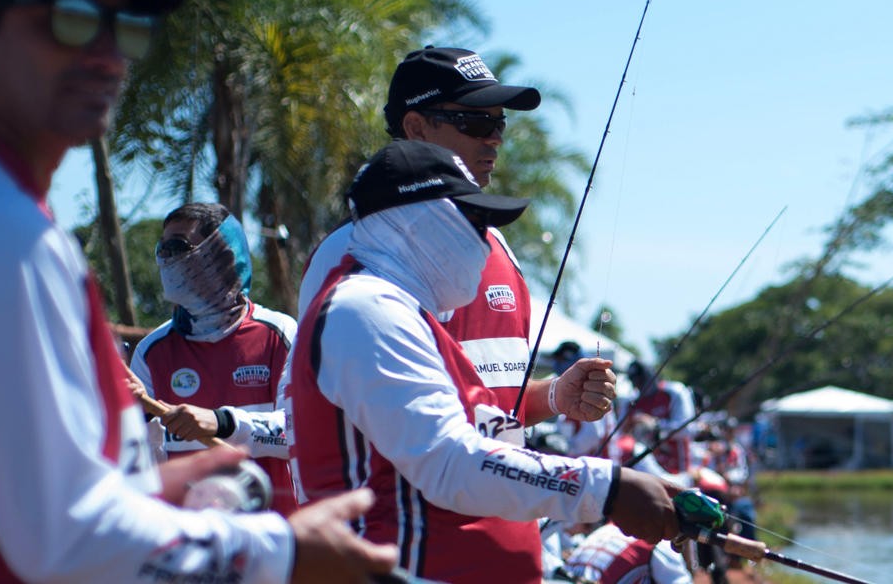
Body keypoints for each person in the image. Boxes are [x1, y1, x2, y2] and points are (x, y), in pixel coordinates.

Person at [0, 0, 394, 581]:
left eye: (125, 25)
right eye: (70, 19)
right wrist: (280, 552)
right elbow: (69, 538)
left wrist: (147, 490)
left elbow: (29, 491)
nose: (108, 54)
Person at [285, 139, 681, 583]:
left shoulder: (403, 313)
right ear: (416, 224)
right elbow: (449, 462)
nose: (484, 240)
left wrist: (553, 397)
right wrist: (605, 489)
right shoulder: (364, 309)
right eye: (474, 220)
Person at [299, 46, 545, 424]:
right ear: (415, 128)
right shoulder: (344, 252)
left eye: (500, 123)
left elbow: (497, 404)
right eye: (475, 122)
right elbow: (322, 412)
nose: (494, 138)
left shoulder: (497, 243)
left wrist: (557, 397)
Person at [129, 202, 296, 512]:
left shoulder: (280, 334)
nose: (166, 257)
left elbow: (299, 435)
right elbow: (142, 466)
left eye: (178, 246)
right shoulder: (152, 352)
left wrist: (222, 423)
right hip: (195, 546)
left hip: (277, 536)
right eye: (161, 248)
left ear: (223, 255)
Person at [624, 360, 697, 473]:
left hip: (676, 470)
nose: (637, 385)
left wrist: (655, 425)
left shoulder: (674, 392)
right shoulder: (631, 402)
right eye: (634, 381)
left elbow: (688, 429)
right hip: (645, 469)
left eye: (641, 379)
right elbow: (621, 434)